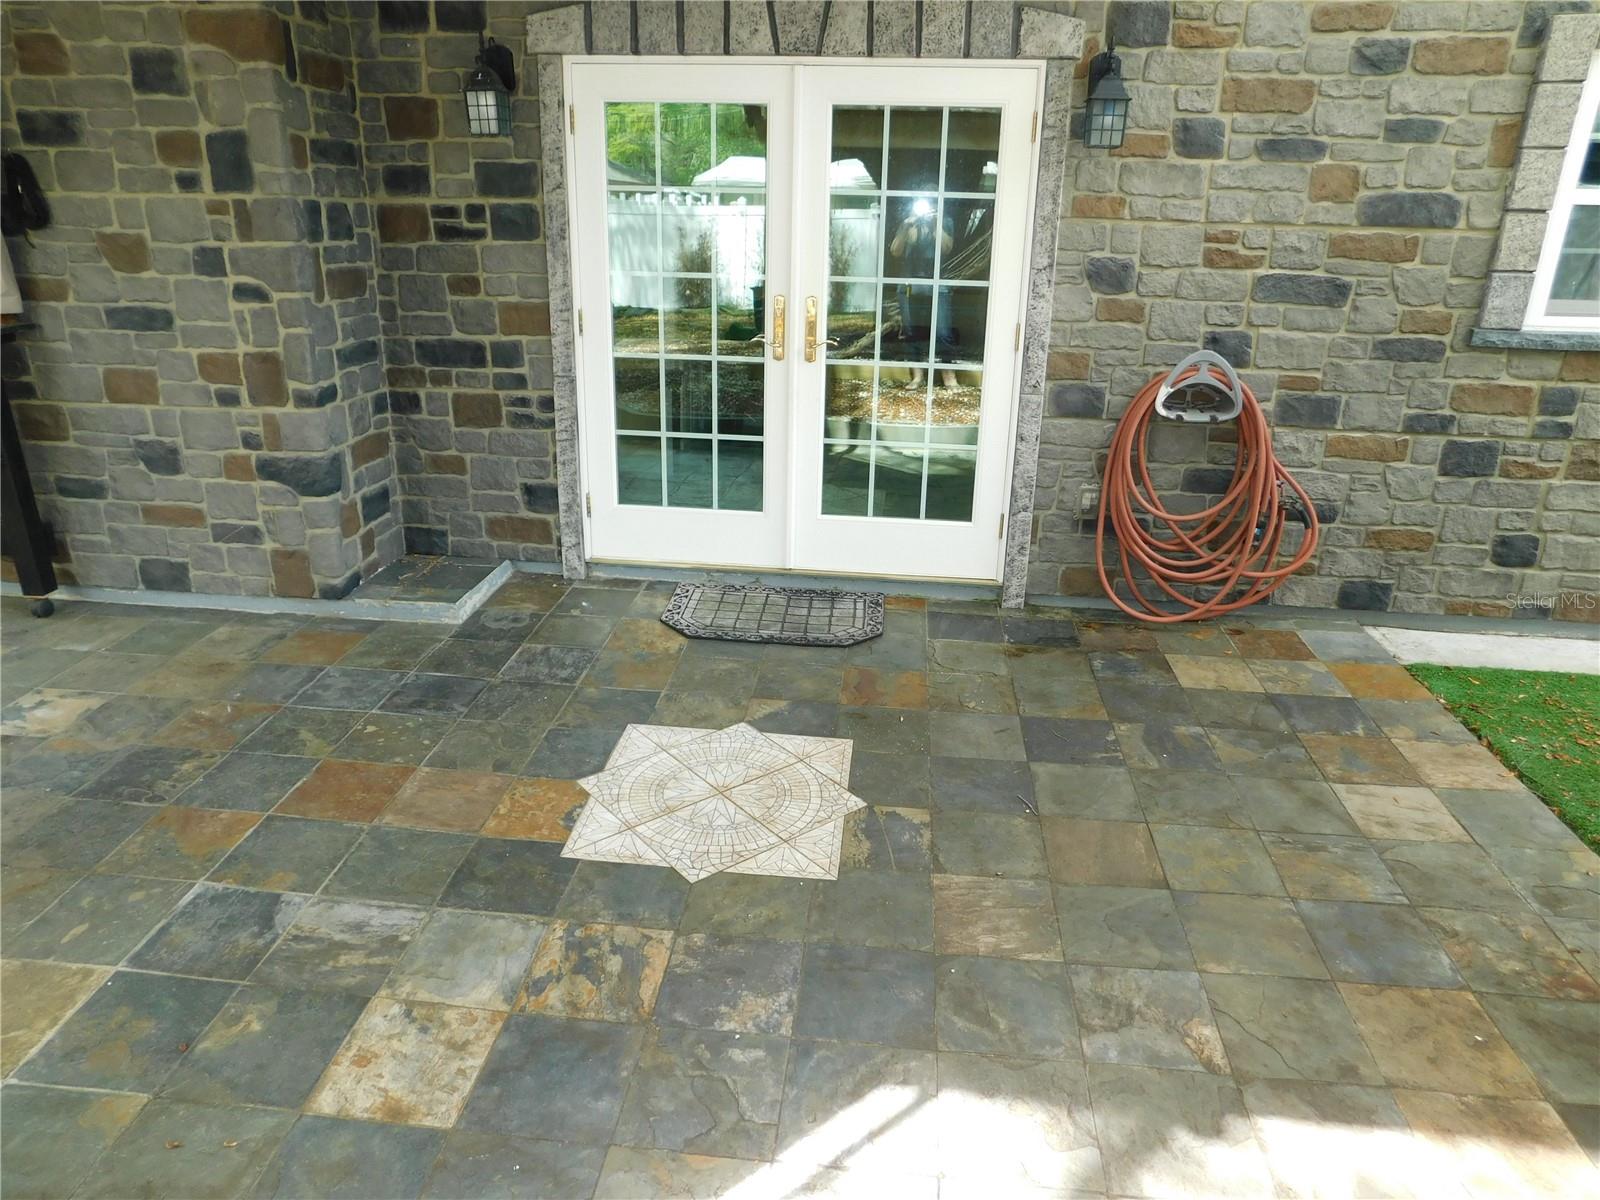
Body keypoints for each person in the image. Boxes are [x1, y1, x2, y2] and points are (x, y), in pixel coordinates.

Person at [887, 199, 958, 388]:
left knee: (943, 331)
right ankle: (917, 376)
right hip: (910, 283)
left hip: (937, 283)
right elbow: (895, 251)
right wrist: (904, 227)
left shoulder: (945, 221)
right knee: (911, 331)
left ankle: (948, 376)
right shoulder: (907, 222)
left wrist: (935, 224)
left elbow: (946, 249)